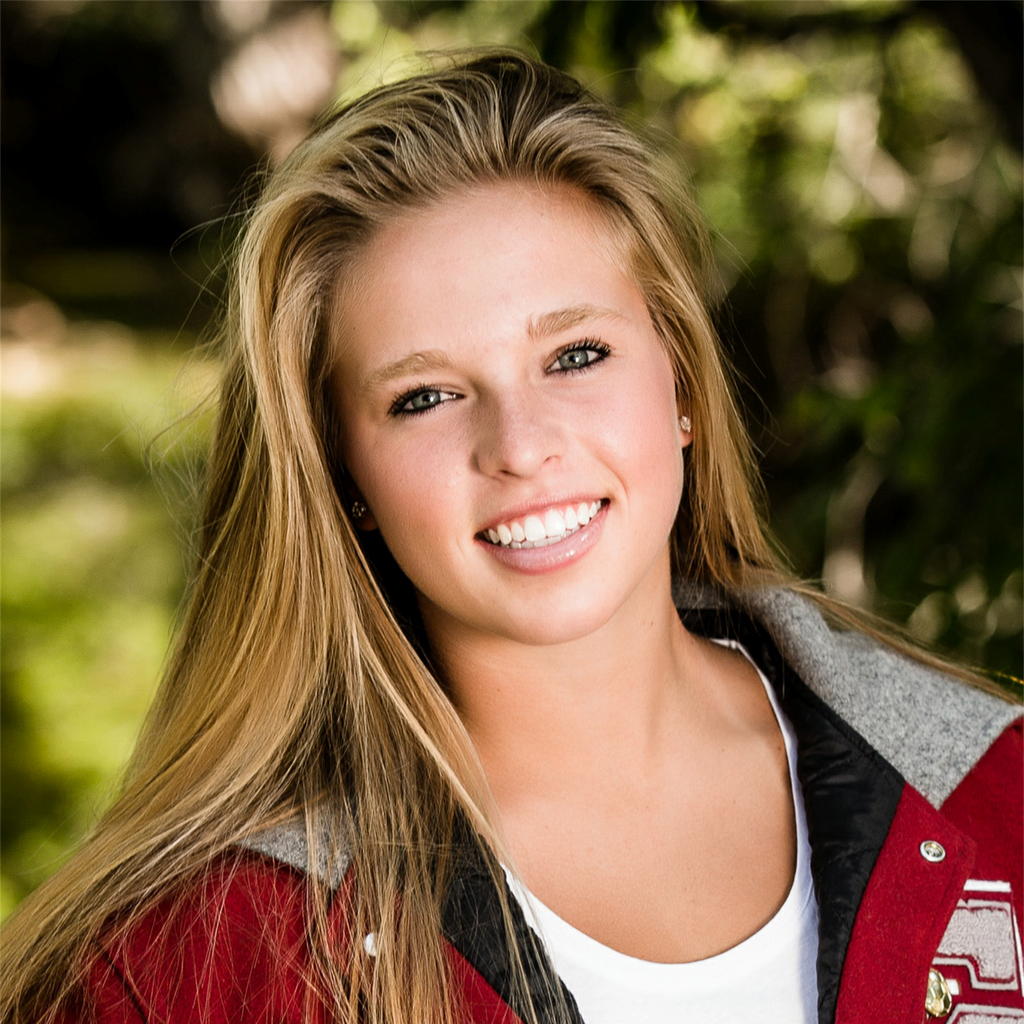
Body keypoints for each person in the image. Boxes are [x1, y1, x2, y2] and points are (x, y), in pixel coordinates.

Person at [1, 51, 1021, 1024]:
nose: (521, 447)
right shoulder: (187, 966)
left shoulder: (994, 800)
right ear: (342, 475)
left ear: (681, 388)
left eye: (575, 354)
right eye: (426, 395)